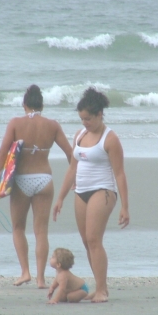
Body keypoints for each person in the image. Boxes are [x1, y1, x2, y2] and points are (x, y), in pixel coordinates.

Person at [0, 84, 72, 289]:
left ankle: (25, 272)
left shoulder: (16, 123)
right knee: (41, 231)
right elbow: (71, 153)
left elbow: (1, 153)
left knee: (18, 227)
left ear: (24, 104)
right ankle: (41, 279)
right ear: (42, 105)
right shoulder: (52, 125)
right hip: (44, 179)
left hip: (21, 181)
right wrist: (75, 178)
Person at [53, 87, 129, 303]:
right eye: (81, 118)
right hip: (80, 191)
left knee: (95, 239)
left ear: (99, 114)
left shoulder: (110, 138)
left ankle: (102, 289)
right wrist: (60, 199)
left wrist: (125, 206)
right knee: (87, 242)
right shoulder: (80, 134)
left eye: (88, 118)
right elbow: (72, 169)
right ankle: (98, 286)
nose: (84, 122)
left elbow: (120, 174)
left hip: (103, 191)